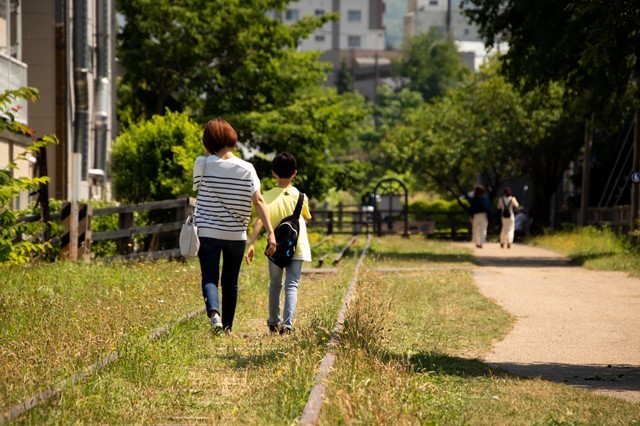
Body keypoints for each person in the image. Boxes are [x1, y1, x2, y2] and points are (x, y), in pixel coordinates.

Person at [193, 118, 276, 332]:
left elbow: (196, 187)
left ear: (208, 141)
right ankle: (227, 328)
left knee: (210, 276)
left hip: (207, 231)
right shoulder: (247, 168)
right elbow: (258, 201)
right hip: (235, 234)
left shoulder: (201, 163)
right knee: (230, 281)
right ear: (232, 139)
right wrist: (270, 232)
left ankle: (214, 314)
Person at [245, 152, 312, 334]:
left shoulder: (266, 197)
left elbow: (259, 221)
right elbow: (305, 216)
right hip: (297, 246)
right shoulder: (301, 197)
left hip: (275, 247)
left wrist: (251, 243)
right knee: (292, 284)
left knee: (275, 284)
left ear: (274, 173)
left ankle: (274, 322)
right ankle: (288, 325)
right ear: (295, 173)